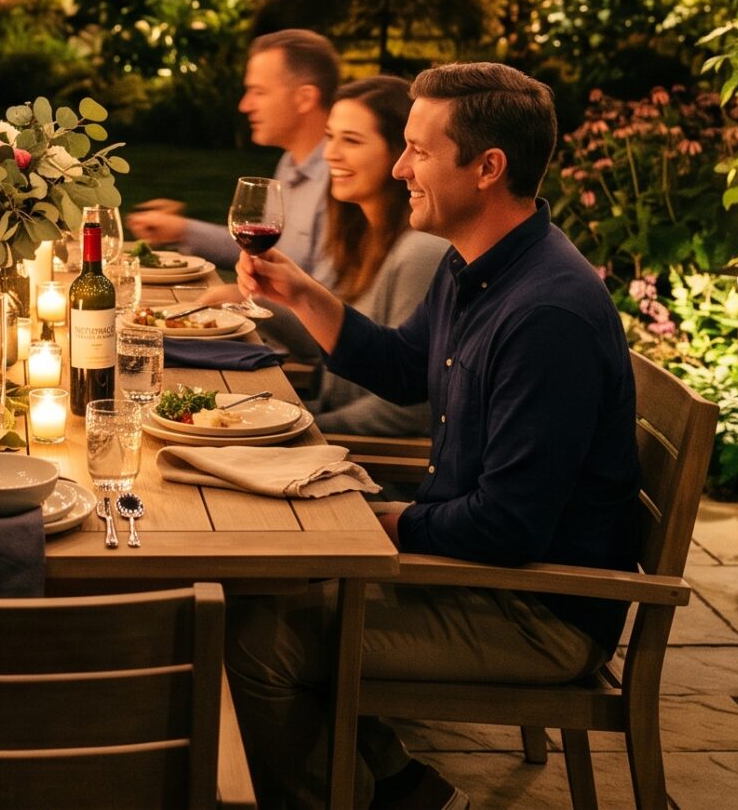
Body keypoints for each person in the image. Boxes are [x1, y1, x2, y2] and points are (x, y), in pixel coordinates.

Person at [226, 62, 642, 810]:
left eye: (418, 149)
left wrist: (378, 520)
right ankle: (397, 785)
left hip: (533, 610)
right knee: (255, 593)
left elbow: (508, 524)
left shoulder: (547, 315)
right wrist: (300, 291)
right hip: (481, 570)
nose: (398, 167)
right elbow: (401, 365)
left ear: (487, 167)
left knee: (258, 644)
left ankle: (368, 794)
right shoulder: (474, 265)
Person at [130, 28, 342, 285]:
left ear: (304, 98)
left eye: (259, 92)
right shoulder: (290, 163)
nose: (245, 105)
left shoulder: (340, 180)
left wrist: (233, 299)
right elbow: (263, 252)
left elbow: (326, 300)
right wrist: (181, 229)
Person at [309, 76, 449, 438]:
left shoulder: (419, 251)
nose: (330, 154)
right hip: (333, 438)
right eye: (330, 137)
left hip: (372, 470)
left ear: (399, 150)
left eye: (351, 141)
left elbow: (410, 408)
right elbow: (347, 341)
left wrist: (302, 432)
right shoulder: (363, 235)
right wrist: (274, 297)